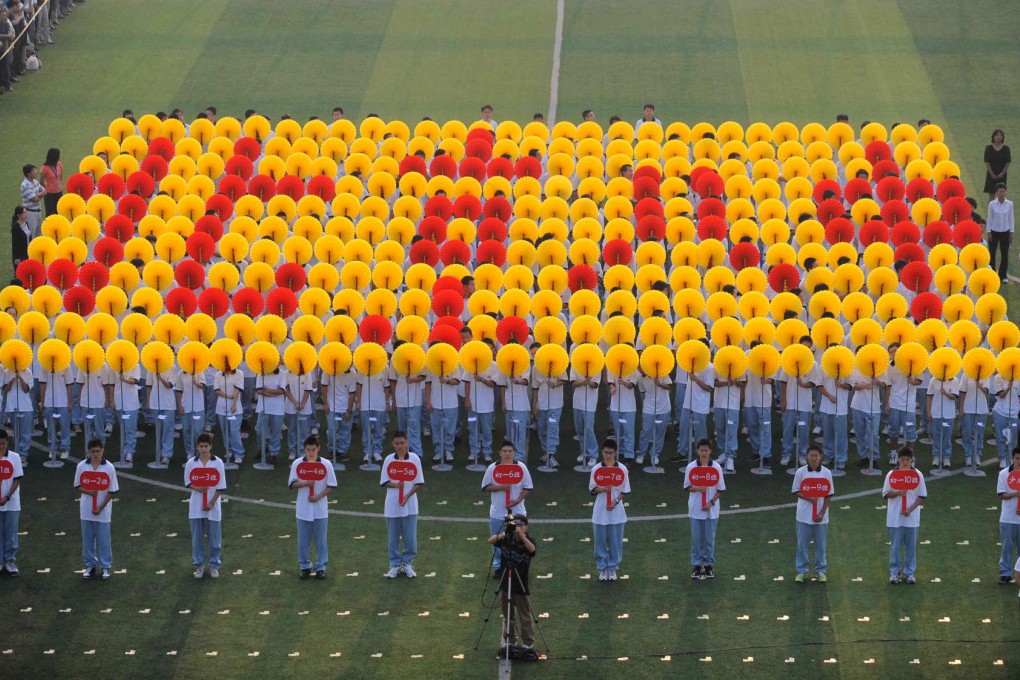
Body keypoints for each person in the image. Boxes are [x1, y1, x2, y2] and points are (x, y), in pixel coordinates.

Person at [288, 435, 337, 579]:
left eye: (313, 450)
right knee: (303, 541)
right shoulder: (297, 464)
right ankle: (305, 566)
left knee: (321, 541)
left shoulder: (326, 464)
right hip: (303, 509)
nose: (310, 453)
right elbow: (291, 484)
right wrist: (305, 484)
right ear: (304, 449)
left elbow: (332, 485)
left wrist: (319, 496)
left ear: (318, 449)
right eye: (308, 450)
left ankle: (321, 567)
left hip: (320, 509)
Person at [487, 513, 537, 651]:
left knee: (524, 614)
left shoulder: (529, 540)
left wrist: (522, 536)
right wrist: (502, 535)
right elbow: (490, 540)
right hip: (505, 582)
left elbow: (532, 549)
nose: (519, 528)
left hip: (520, 582)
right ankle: (510, 638)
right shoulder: (506, 539)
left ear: (526, 527)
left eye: (521, 526)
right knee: (507, 613)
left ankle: (528, 641)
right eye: (516, 526)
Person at [482, 441, 533, 571]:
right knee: (497, 541)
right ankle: (498, 567)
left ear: (514, 453)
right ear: (500, 453)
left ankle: (519, 566)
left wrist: (517, 500)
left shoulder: (521, 467)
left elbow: (527, 487)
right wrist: (501, 487)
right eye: (504, 451)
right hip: (498, 512)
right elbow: (485, 487)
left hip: (518, 511)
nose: (507, 453)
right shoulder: (492, 468)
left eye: (510, 451)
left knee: (520, 540)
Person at [380, 431, 424, 579]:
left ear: (407, 443)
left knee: (410, 537)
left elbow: (419, 482)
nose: (399, 446)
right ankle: (394, 565)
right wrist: (395, 485)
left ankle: (408, 563)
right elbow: (384, 481)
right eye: (397, 443)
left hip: (410, 505)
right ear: (393, 444)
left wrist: (406, 495)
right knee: (392, 538)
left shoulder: (414, 459)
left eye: (402, 443)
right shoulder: (388, 460)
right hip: (392, 505)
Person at [75, 438, 119, 580]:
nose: (95, 454)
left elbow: (112, 491)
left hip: (103, 511)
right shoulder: (81, 466)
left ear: (102, 451)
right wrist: (89, 492)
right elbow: (77, 485)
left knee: (104, 540)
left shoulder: (109, 467)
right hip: (86, 510)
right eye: (93, 451)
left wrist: (100, 507)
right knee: (87, 540)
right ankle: (90, 565)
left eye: (98, 451)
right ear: (89, 452)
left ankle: (105, 567)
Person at [184, 433, 227, 579]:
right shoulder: (191, 463)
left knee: (214, 539)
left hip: (213, 507)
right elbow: (188, 482)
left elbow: (221, 487)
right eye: (201, 446)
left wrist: (211, 503)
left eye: (206, 446)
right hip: (196, 507)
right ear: (197, 447)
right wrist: (198, 488)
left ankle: (214, 565)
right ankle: (199, 565)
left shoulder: (218, 463)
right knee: (197, 539)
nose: (203, 449)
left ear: (211, 446)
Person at [883, 447, 926, 584]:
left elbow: (921, 496)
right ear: (898, 459)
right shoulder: (891, 474)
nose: (905, 462)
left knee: (911, 547)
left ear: (912, 460)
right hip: (895, 518)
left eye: (908, 460)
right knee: (895, 547)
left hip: (912, 518)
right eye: (903, 459)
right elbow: (885, 494)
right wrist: (897, 493)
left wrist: (910, 510)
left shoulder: (918, 475)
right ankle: (894, 573)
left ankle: (909, 573)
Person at [684, 438, 726, 580]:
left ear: (710, 451)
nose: (703, 453)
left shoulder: (716, 467)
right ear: (697, 451)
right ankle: (696, 566)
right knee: (696, 539)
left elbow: (720, 489)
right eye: (701, 450)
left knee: (709, 539)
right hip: (695, 509)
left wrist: (711, 503)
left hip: (711, 510)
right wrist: (697, 488)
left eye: (706, 451)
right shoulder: (691, 467)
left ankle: (708, 565)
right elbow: (687, 487)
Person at [589, 438, 630, 581]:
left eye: (610, 453)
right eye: (605, 452)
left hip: (617, 513)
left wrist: (616, 501)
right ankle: (602, 569)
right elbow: (592, 489)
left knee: (615, 542)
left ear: (615, 453)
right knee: (599, 542)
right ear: (602, 452)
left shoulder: (622, 469)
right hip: (600, 512)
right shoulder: (596, 469)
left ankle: (612, 569)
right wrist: (602, 489)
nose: (608, 455)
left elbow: (625, 490)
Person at [792, 444, 833, 583]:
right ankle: (801, 571)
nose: (814, 458)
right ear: (807, 457)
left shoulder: (827, 473)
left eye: (816, 455)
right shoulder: (800, 472)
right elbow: (796, 491)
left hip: (821, 518)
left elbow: (829, 495)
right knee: (802, 546)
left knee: (820, 546)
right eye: (811, 455)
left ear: (820, 456)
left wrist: (822, 512)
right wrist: (809, 498)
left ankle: (821, 571)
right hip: (803, 516)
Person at [781, 337, 820, 467]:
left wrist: (803, 384)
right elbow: (783, 382)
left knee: (803, 429)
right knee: (788, 429)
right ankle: (786, 453)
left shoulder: (813, 364)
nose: (806, 350)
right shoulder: (788, 361)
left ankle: (803, 454)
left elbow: (814, 382)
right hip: (790, 404)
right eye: (804, 346)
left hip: (805, 405)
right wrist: (784, 400)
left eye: (809, 348)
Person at [636, 365, 671, 467]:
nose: (639, 370)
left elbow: (669, 386)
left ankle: (655, 454)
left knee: (660, 432)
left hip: (664, 407)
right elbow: (642, 392)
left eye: (641, 367)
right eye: (639, 368)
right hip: (649, 407)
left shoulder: (663, 373)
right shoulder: (640, 378)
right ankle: (641, 454)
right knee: (646, 430)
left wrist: (660, 384)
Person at [926, 369, 960, 473]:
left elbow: (954, 397)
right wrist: (928, 411)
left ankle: (946, 457)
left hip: (949, 414)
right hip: (936, 413)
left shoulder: (955, 380)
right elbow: (929, 397)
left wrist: (945, 393)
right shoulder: (933, 380)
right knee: (936, 435)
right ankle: (936, 455)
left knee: (947, 436)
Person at [0, 429, 23, 576]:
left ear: (7, 442)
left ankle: (9, 560)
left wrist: (7, 497)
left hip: (12, 502)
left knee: (11, 534)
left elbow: (17, 478)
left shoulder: (14, 457)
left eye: (2, 443)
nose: (0, 446)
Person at [1, 359, 32, 461]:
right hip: (12, 406)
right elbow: (5, 390)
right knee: (16, 431)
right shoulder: (7, 372)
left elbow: (26, 389)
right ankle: (16, 451)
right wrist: (11, 381)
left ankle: (24, 453)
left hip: (26, 407)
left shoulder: (28, 372)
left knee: (25, 431)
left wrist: (21, 379)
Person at [996, 449, 1020, 584]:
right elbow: (1001, 495)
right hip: (1007, 517)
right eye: (1017, 458)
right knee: (1007, 547)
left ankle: (1019, 574)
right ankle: (1005, 573)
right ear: (1012, 458)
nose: (1019, 461)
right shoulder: (1004, 474)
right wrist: (1015, 494)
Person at [213, 365, 244, 464]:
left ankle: (239, 453)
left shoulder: (239, 373)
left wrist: (234, 404)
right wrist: (228, 396)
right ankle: (228, 450)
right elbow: (216, 390)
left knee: (234, 431)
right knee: (225, 431)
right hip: (221, 408)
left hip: (235, 409)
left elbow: (238, 389)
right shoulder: (218, 374)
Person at [254, 367, 286, 465]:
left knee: (276, 431)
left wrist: (266, 391)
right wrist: (274, 392)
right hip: (263, 407)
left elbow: (282, 390)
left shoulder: (282, 373)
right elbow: (259, 390)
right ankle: (262, 447)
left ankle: (273, 453)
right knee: (259, 430)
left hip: (278, 408)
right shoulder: (260, 373)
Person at [986, 183, 1014, 281]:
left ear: (1005, 192)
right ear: (996, 193)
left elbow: (1011, 218)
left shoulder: (1010, 204)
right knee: (992, 253)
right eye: (999, 192)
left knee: (1004, 254)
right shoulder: (992, 204)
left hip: (1005, 231)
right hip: (994, 231)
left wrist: (1011, 232)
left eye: (1003, 191)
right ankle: (992, 273)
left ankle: (1003, 275)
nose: (1001, 193)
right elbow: (989, 218)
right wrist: (988, 232)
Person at [992, 374, 1020, 467]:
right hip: (1000, 412)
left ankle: (1011, 459)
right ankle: (1002, 458)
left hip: (1014, 413)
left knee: (1012, 438)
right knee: (1001, 437)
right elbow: (1001, 395)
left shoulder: (1018, 378)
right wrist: (1008, 387)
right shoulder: (998, 377)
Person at [984, 129, 1011, 200]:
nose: (999, 137)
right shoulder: (988, 148)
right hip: (991, 174)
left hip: (1002, 174)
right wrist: (991, 173)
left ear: (1003, 137)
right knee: (991, 194)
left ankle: (1003, 210)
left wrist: (1002, 173)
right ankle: (990, 211)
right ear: (993, 137)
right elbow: (986, 161)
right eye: (997, 135)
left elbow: (1007, 162)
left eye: (1000, 135)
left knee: (1002, 194)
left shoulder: (1006, 149)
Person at [19, 164, 45, 238]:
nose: (36, 172)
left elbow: (45, 191)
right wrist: (40, 194)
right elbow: (35, 199)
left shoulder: (35, 181)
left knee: (39, 235)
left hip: (38, 212)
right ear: (28, 173)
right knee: (31, 235)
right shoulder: (25, 185)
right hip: (30, 213)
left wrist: (37, 194)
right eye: (33, 171)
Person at [40, 148, 62, 217]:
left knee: (59, 211)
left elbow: (60, 175)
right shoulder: (44, 167)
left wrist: (59, 185)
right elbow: (41, 181)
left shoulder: (59, 164)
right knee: (49, 213)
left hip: (59, 192)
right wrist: (46, 189)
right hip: (49, 194)